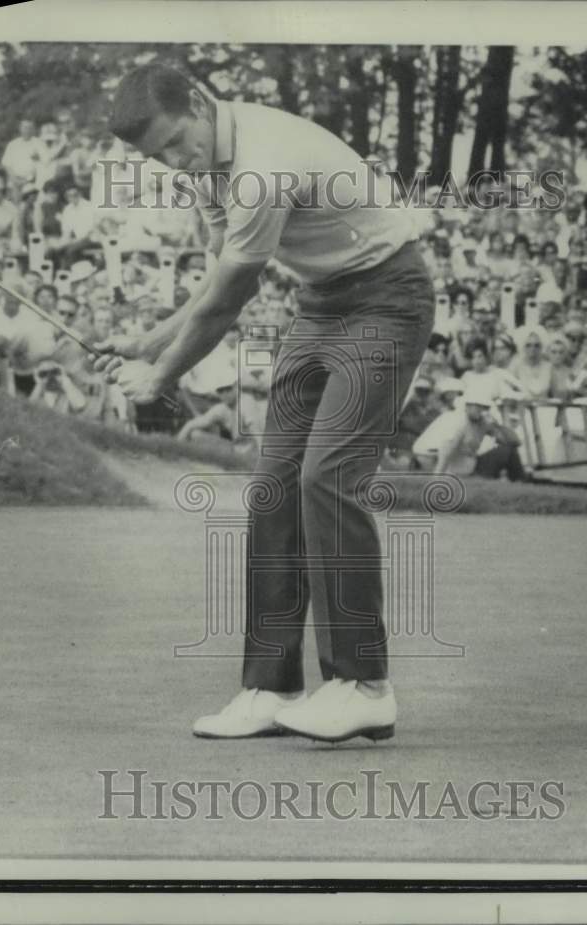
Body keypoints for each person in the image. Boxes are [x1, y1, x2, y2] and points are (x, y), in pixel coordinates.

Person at [97, 62, 433, 743]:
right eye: (156, 156)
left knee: (328, 476)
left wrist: (160, 376)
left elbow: (231, 299)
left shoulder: (261, 164)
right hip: (322, 305)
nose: (174, 161)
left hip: (389, 298)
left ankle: (364, 685)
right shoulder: (207, 167)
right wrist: (148, 339)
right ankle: (269, 685)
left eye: (175, 141)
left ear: (197, 101)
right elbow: (216, 277)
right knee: (274, 487)